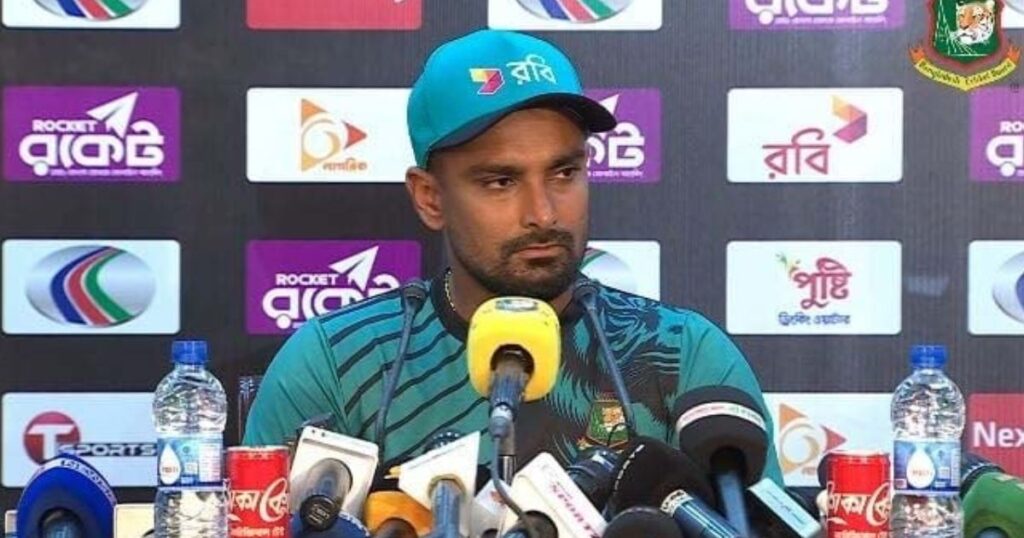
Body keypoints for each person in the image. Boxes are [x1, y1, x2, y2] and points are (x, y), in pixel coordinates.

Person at [243, 28, 783, 483]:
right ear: (430, 198)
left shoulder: (682, 356)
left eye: (564, 172)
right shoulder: (337, 363)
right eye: (500, 181)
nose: (544, 213)